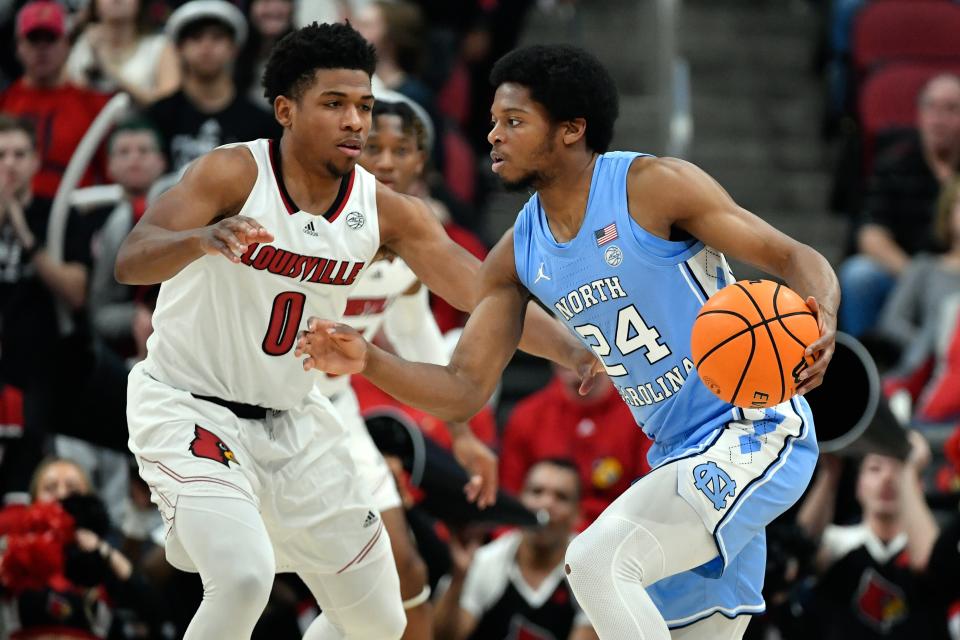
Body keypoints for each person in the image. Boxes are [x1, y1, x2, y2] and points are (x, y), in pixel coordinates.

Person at [297, 43, 840, 640]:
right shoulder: (515, 254)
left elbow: (792, 254)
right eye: (493, 122)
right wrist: (370, 359)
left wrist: (825, 316)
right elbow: (462, 390)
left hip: (754, 428)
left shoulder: (652, 186)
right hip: (675, 454)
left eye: (514, 122)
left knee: (597, 562)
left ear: (571, 130)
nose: (493, 137)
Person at [115, 23, 595, 640]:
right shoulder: (233, 175)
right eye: (335, 104)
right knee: (241, 579)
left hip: (294, 420)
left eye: (364, 106)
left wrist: (572, 348)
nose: (355, 122)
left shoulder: (385, 210)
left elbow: (482, 293)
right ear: (286, 110)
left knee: (378, 621)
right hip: (188, 408)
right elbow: (134, 256)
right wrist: (197, 240)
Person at [838, 74, 960, 337]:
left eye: (951, 109)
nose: (939, 118)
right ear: (920, 114)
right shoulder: (895, 162)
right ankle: (865, 361)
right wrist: (916, 278)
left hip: (955, 274)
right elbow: (871, 236)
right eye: (932, 107)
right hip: (903, 271)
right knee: (859, 275)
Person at [796, 435, 943, 639]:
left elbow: (934, 562)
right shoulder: (836, 541)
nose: (887, 478)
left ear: (918, 486)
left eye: (898, 468)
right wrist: (830, 472)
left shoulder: (926, 542)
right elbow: (801, 546)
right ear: (858, 485)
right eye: (875, 468)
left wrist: (911, 468)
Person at [434, 458, 598, 640]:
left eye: (561, 497)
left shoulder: (591, 572)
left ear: (577, 514)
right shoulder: (487, 560)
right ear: (520, 500)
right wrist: (459, 576)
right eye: (537, 492)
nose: (546, 504)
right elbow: (444, 637)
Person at [500, 363, 652, 526]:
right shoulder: (527, 416)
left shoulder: (641, 415)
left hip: (616, 537)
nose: (573, 349)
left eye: (582, 341)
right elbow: (508, 502)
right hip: (540, 537)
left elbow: (651, 498)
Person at [145, 0, 280, 173]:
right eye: (196, 37)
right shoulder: (158, 117)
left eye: (217, 37)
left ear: (234, 49)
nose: (206, 47)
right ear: (179, 49)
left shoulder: (262, 124)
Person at [0, 0, 110, 199]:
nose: (42, 48)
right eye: (34, 39)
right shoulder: (5, 102)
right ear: (18, 46)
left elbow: (109, 175)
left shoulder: (94, 104)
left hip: (74, 216)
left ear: (67, 44)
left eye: (50, 39)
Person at [88, 119, 167, 355]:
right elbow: (96, 309)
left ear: (162, 161)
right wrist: (134, 316)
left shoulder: (190, 209)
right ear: (109, 165)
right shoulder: (90, 217)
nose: (134, 159)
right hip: (118, 336)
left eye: (143, 150)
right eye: (123, 152)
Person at [66, 0, 180, 106]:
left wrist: (110, 70)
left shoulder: (158, 47)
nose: (117, 0)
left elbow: (168, 105)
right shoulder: (81, 45)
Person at [235, 0, 295, 112]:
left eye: (282, 1)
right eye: (266, 1)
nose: (274, 8)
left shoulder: (306, 54)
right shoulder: (233, 51)